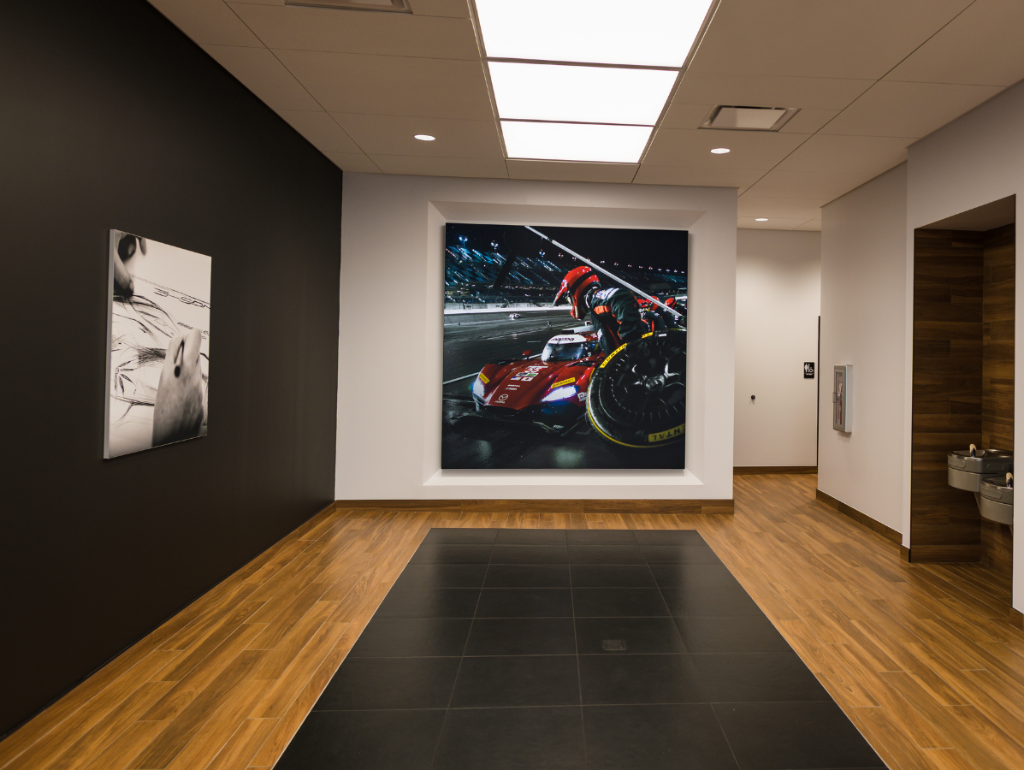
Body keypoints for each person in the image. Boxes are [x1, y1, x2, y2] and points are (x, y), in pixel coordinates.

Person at [553, 266, 646, 354]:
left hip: (637, 364)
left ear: (574, 292)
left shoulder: (593, 298)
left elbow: (620, 296)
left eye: (569, 299)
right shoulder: (594, 307)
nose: (570, 303)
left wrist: (632, 340)